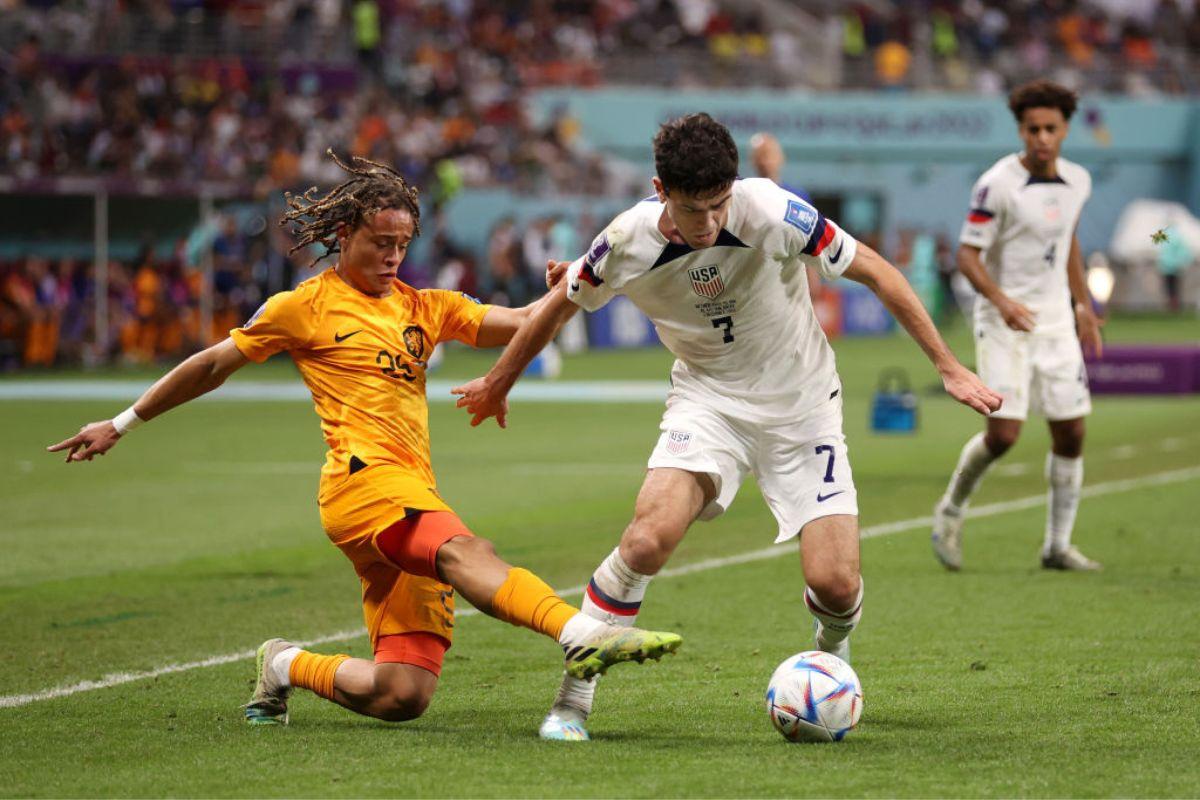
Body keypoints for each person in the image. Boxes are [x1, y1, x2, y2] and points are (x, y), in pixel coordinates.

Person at [46, 151, 681, 728]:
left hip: (410, 492)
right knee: (466, 550)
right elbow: (213, 364)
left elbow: (519, 322)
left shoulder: (424, 307)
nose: (392, 257)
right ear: (345, 235)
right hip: (362, 485)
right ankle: (581, 633)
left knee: (403, 695)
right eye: (381, 243)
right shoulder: (304, 307)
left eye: (402, 244)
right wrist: (122, 422)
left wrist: (579, 283)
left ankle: (283, 665)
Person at [451, 113, 1001, 741]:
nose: (709, 222)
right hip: (708, 402)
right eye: (692, 209)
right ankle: (572, 701)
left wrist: (948, 366)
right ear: (660, 190)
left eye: (719, 204)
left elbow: (876, 269)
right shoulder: (625, 239)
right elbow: (558, 305)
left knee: (836, 583)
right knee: (646, 539)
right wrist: (499, 382)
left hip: (803, 406)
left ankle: (831, 651)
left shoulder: (770, 210)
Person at [931, 80, 1104, 573]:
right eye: (1033, 129)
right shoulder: (996, 184)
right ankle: (950, 511)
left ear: (1065, 129)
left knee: (1071, 433)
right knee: (1004, 434)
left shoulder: (1078, 181)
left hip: (1054, 323)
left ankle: (1057, 546)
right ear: (1021, 130)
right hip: (1003, 321)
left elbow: (1066, 241)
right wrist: (1002, 300)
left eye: (1051, 128)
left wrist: (1083, 304)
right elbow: (967, 254)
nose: (1042, 138)